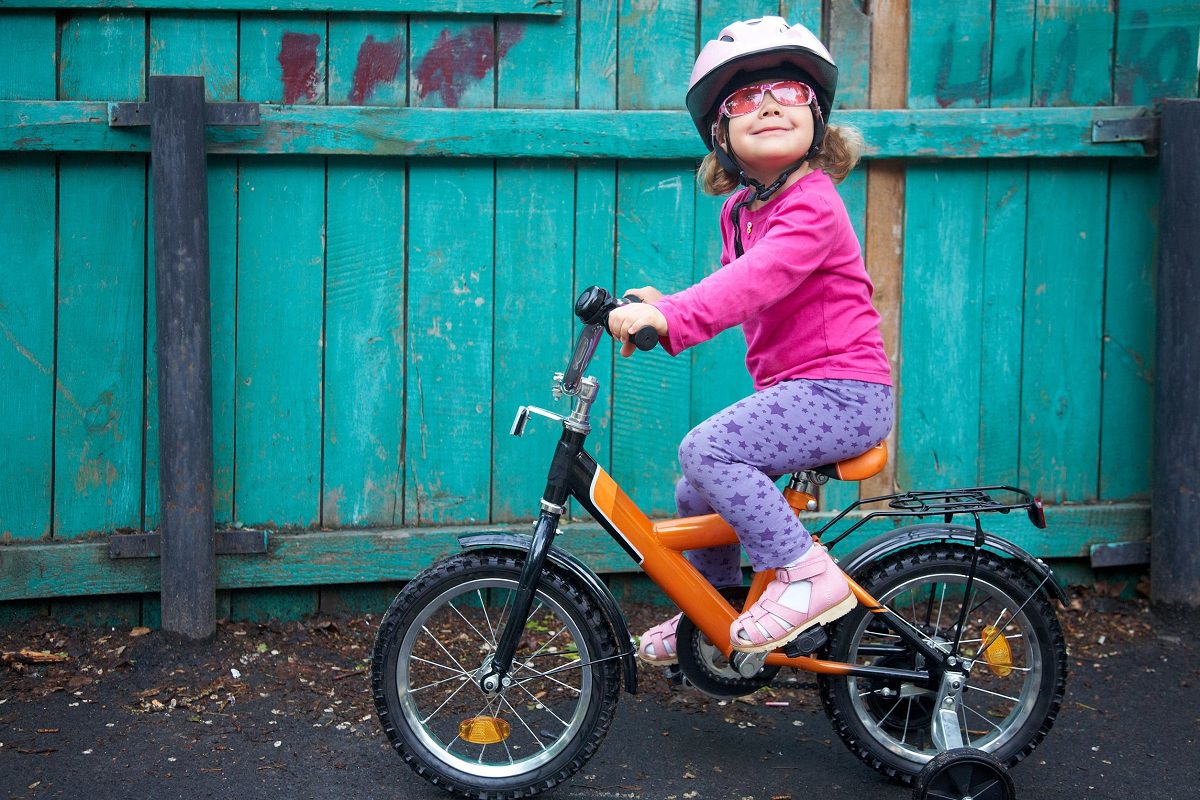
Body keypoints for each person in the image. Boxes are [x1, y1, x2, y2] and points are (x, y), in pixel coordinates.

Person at [606, 17, 893, 663]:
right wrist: (667, 304)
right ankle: (714, 615)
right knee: (695, 488)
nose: (766, 104)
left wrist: (675, 317)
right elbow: (738, 283)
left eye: (788, 92)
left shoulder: (813, 202)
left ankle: (805, 574)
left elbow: (758, 278)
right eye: (742, 99)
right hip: (803, 391)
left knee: (706, 448)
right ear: (721, 135)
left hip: (845, 393)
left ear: (818, 120)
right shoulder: (742, 209)